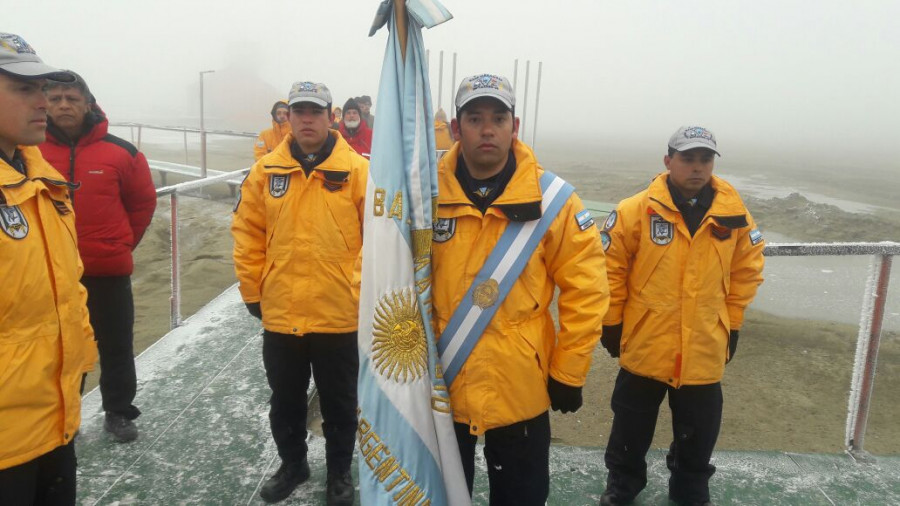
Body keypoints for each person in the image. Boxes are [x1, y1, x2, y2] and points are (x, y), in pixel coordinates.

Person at [431, 74, 609, 505]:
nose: (487, 129)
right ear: (457, 129)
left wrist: (568, 371)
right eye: (475, 118)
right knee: (437, 496)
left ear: (515, 126)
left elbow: (587, 291)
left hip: (520, 384)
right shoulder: (424, 193)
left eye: (498, 117)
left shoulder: (555, 201)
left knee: (521, 498)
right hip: (438, 383)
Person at [597, 126, 765, 506]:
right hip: (646, 341)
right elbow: (610, 269)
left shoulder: (734, 216)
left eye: (705, 159)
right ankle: (623, 483)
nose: (697, 167)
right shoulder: (635, 210)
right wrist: (611, 321)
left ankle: (690, 486)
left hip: (705, 344)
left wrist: (733, 323)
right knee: (631, 423)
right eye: (688, 158)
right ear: (668, 161)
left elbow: (746, 272)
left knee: (699, 427)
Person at [232, 81, 368, 505]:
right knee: (285, 401)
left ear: (331, 117)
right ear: (287, 117)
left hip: (338, 313)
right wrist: (253, 291)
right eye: (299, 111)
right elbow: (247, 234)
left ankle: (339, 473)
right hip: (282, 312)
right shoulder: (265, 171)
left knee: (341, 404)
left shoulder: (359, 171)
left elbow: (376, 239)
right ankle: (293, 464)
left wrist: (358, 291)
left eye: (315, 111)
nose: (307, 119)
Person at [0, 32, 98, 505]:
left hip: (56, 415)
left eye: (44, 88)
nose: (43, 102)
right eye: (24, 88)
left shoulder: (43, 179)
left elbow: (68, 285)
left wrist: (81, 356)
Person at [40, 70, 156, 444]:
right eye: (55, 98)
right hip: (50, 274)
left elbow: (141, 204)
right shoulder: (27, 151)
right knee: (60, 349)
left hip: (107, 271)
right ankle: (64, 413)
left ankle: (118, 412)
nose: (63, 105)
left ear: (88, 103)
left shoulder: (121, 152)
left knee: (116, 345)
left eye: (71, 98)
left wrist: (120, 244)